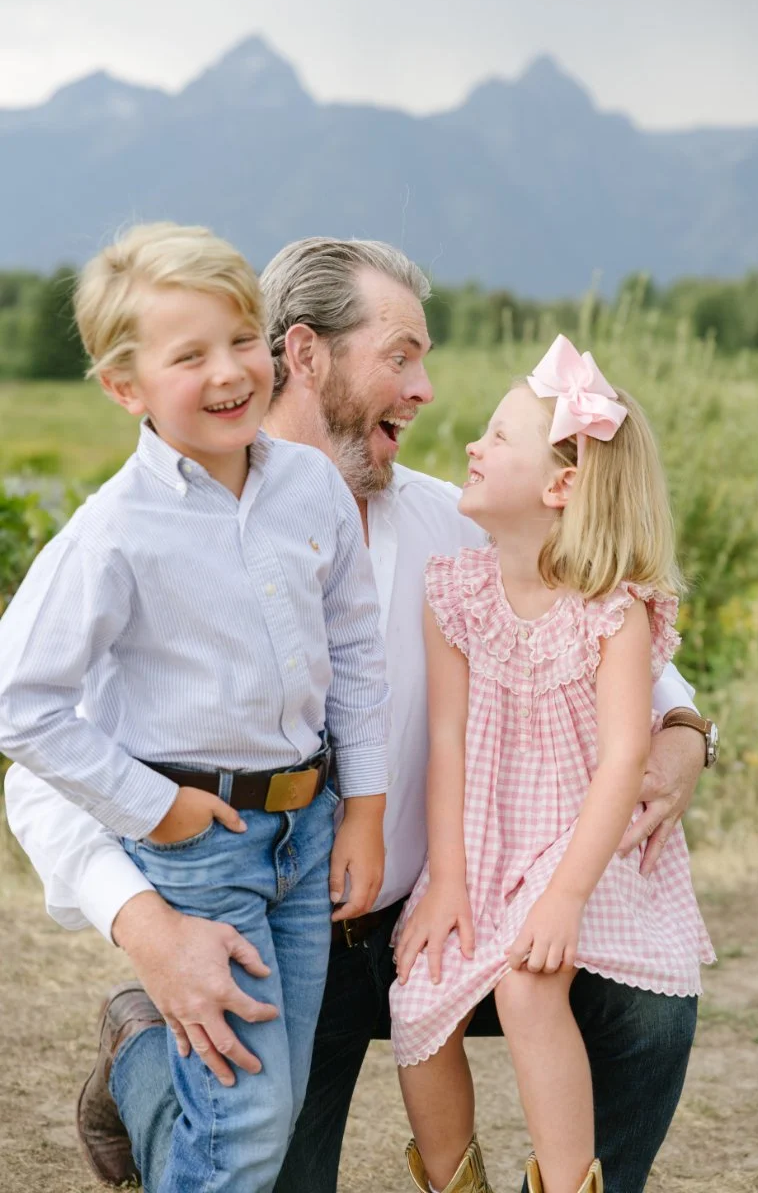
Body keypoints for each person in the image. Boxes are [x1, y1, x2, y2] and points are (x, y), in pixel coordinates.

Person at [4, 240, 718, 1193]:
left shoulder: (461, 521)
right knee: (253, 1155)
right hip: (279, 911)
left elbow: (600, 628)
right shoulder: (139, 537)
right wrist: (146, 928)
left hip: (446, 914)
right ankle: (142, 1054)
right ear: (305, 355)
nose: (424, 391)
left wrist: (683, 735)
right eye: (401, 355)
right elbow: (41, 766)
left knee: (647, 1007)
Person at [0, 224, 389, 1193]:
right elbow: (20, 704)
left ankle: (139, 1060)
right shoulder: (113, 537)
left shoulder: (310, 487)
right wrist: (151, 810)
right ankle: (147, 1063)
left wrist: (367, 809)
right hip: (200, 845)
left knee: (269, 1101)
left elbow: (355, 648)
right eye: (189, 356)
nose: (227, 372)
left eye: (240, 339)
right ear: (125, 388)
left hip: (307, 838)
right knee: (244, 1121)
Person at [390, 334, 715, 1193]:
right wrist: (450, 880)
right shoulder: (454, 591)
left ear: (561, 485)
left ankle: (571, 1183)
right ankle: (455, 1181)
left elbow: (621, 761)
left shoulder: (613, 611)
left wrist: (565, 895)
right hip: (486, 849)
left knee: (532, 986)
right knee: (418, 992)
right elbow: (449, 741)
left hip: (584, 850)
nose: (473, 445)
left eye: (498, 437)